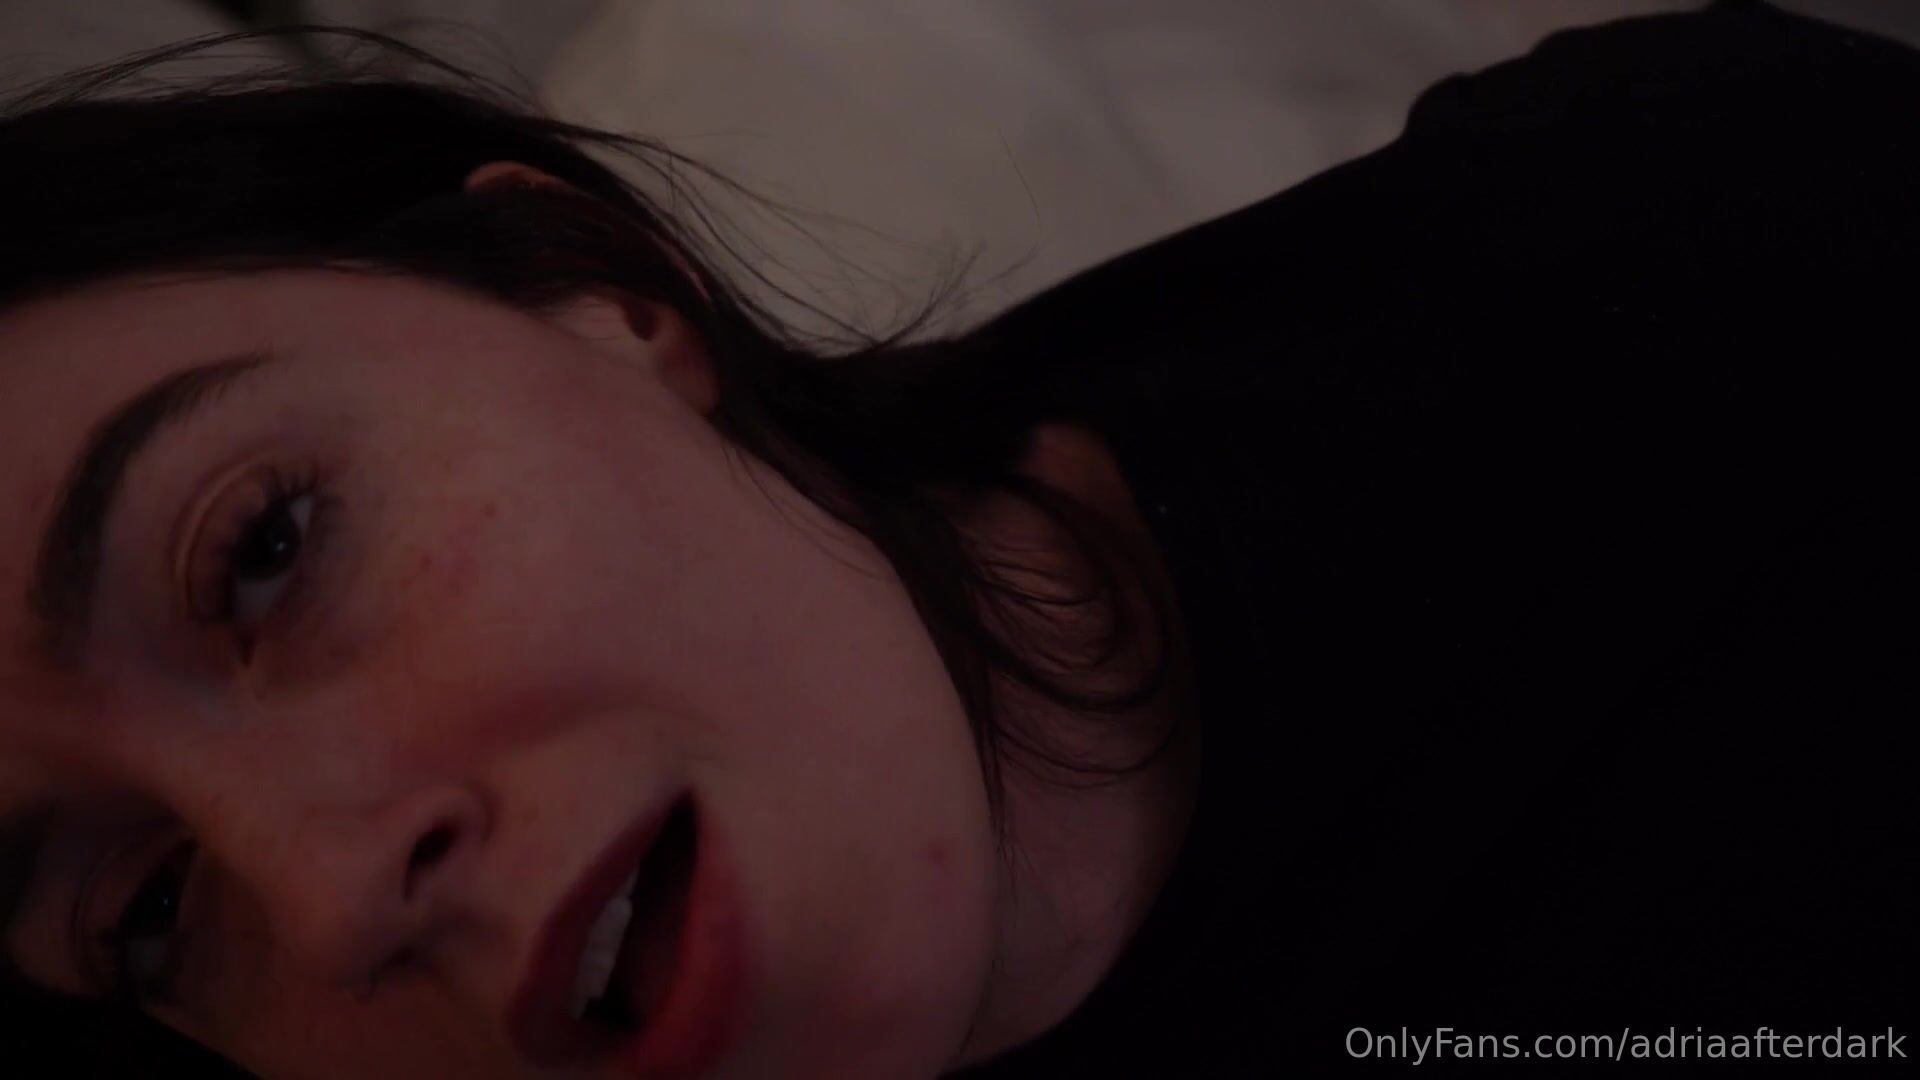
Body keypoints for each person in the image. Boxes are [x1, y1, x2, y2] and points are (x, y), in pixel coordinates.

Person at [1, 1, 1914, 1076]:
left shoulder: (1708, 253)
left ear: (602, 288)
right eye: (147, 915)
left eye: (265, 548)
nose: (326, 897)